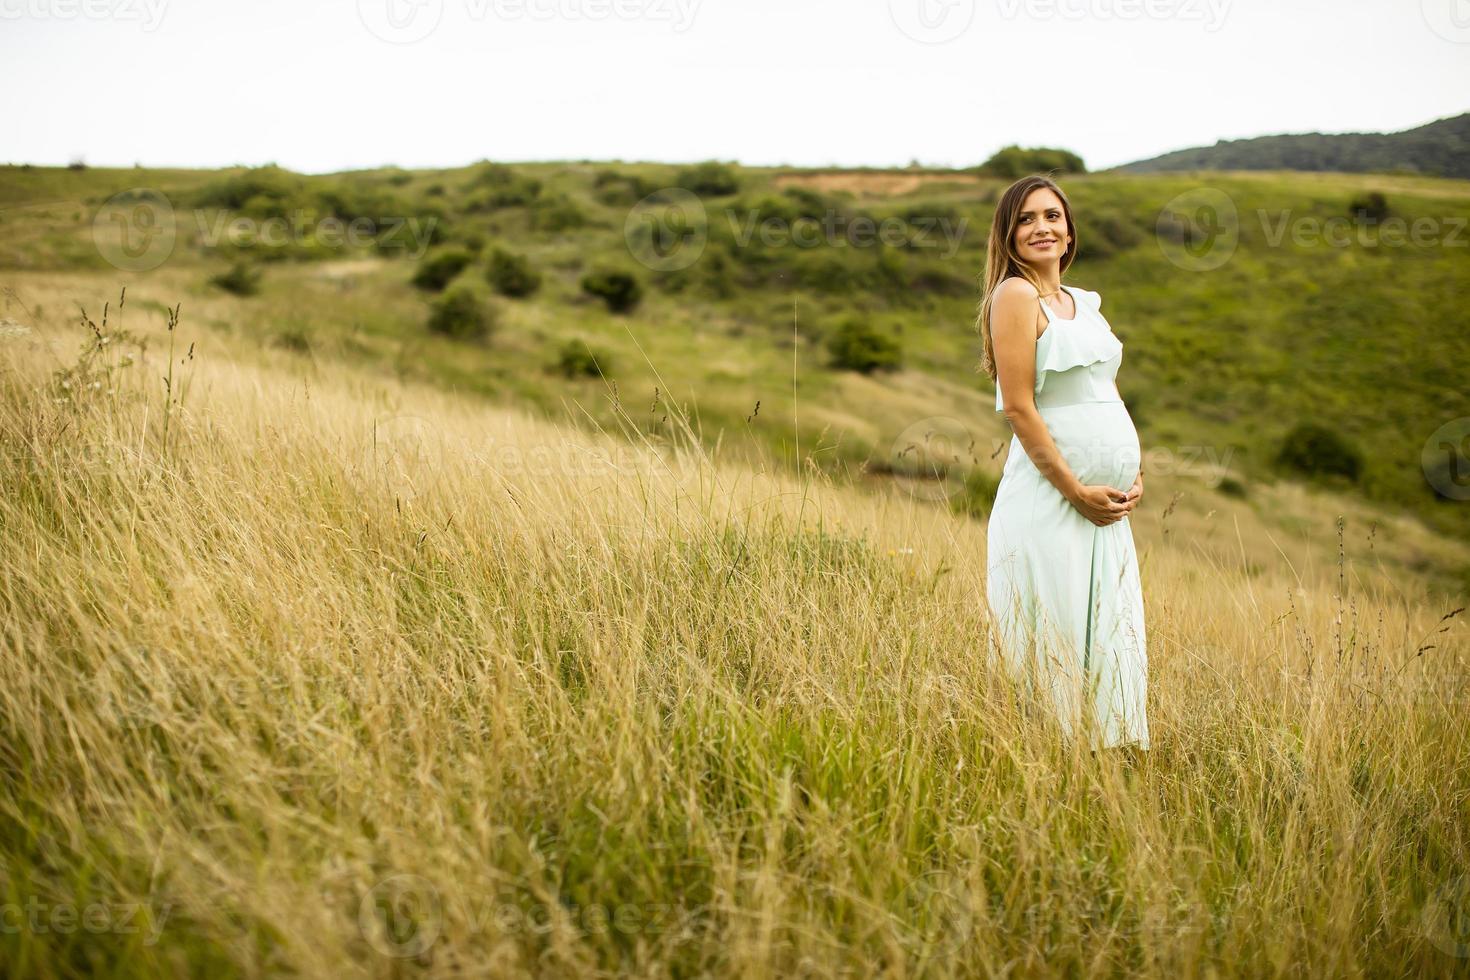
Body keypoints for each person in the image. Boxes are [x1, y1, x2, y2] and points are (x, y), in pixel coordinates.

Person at [975, 174, 1149, 756]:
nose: (1041, 228)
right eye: (1025, 219)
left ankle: (1098, 775)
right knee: (1056, 637)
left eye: (1052, 215)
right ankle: (1047, 771)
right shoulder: (1014, 297)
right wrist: (1075, 489)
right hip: (1051, 501)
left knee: (1104, 636)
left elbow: (1107, 391)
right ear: (1008, 234)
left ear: (1070, 230)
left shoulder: (1085, 305)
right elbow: (1019, 408)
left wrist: (1134, 467)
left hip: (1105, 505)